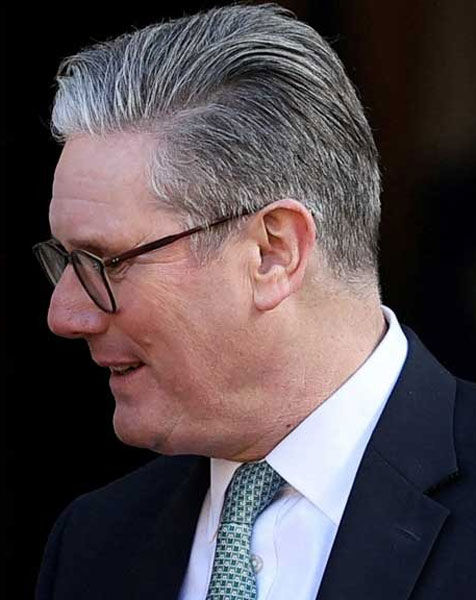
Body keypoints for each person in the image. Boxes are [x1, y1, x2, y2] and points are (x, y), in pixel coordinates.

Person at [32, 5, 476, 599]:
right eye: (64, 261)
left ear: (273, 252)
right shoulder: (95, 544)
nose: (65, 316)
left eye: (105, 262)